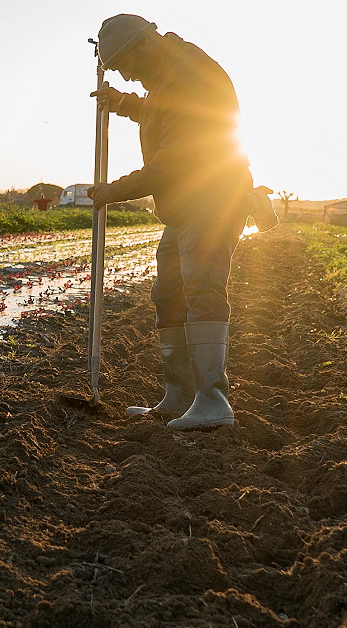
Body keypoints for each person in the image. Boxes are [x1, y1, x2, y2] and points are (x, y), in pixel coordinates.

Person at [88, 14, 263, 430]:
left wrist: (114, 190)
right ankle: (180, 394)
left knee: (201, 284)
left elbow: (175, 161)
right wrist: (125, 103)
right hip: (188, 205)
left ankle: (213, 400)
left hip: (213, 198)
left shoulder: (187, 72)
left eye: (125, 66)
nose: (126, 76)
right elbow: (161, 109)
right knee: (168, 291)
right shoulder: (169, 72)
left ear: (142, 47)